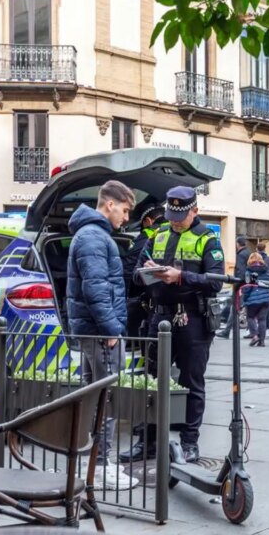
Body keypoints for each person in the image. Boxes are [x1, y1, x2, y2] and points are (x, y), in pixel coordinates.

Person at [119, 186, 224, 464]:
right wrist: (149, 272)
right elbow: (136, 276)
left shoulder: (208, 239)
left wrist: (181, 277)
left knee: (192, 381)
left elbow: (216, 282)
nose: (175, 220)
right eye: (171, 214)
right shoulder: (159, 234)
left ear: (195, 211)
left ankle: (190, 442)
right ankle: (149, 441)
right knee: (151, 382)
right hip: (159, 317)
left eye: (181, 215)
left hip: (193, 320)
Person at [66, 180, 139, 490]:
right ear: (110, 204)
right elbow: (95, 289)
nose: (125, 218)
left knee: (94, 397)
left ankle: (91, 462)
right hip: (100, 333)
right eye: (124, 211)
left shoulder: (91, 235)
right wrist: (111, 330)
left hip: (93, 332)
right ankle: (102, 466)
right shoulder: (94, 237)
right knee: (107, 399)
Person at [122, 205, 168, 338]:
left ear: (148, 221)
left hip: (151, 298)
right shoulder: (178, 232)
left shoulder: (149, 234)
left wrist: (125, 296)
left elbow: (128, 267)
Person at [217, 236, 251, 338]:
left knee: (235, 308)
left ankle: (226, 331)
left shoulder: (240, 255)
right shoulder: (249, 253)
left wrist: (236, 285)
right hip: (248, 285)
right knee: (247, 307)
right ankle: (253, 331)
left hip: (240, 286)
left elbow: (240, 271)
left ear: (237, 244)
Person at [243, 252, 269, 347]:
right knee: (262, 320)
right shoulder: (266, 270)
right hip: (266, 298)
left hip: (252, 299)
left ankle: (255, 336)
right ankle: (262, 341)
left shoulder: (248, 271)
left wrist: (245, 297)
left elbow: (248, 287)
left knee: (250, 317)